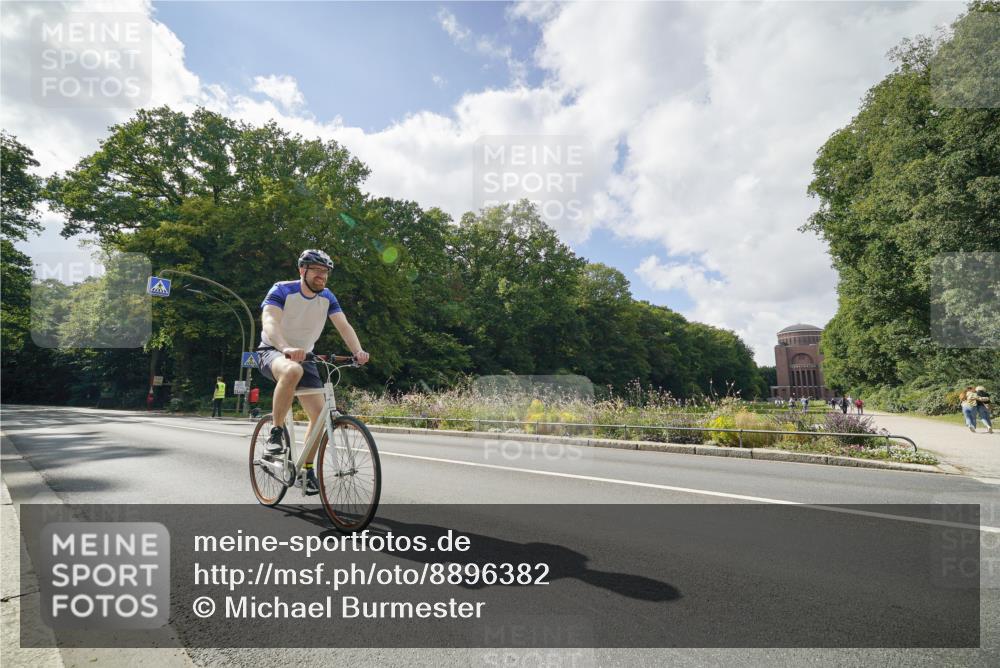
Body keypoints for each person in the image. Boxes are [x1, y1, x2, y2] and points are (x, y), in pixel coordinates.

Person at [257, 249, 370, 495]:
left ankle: (305, 470)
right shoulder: (282, 290)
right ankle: (275, 435)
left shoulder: (328, 297)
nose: (322, 277)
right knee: (292, 371)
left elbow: (344, 325)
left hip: (306, 355)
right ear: (302, 270)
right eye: (317, 271)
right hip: (273, 351)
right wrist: (285, 347)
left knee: (320, 417)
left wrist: (358, 351)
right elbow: (270, 322)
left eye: (326, 272)